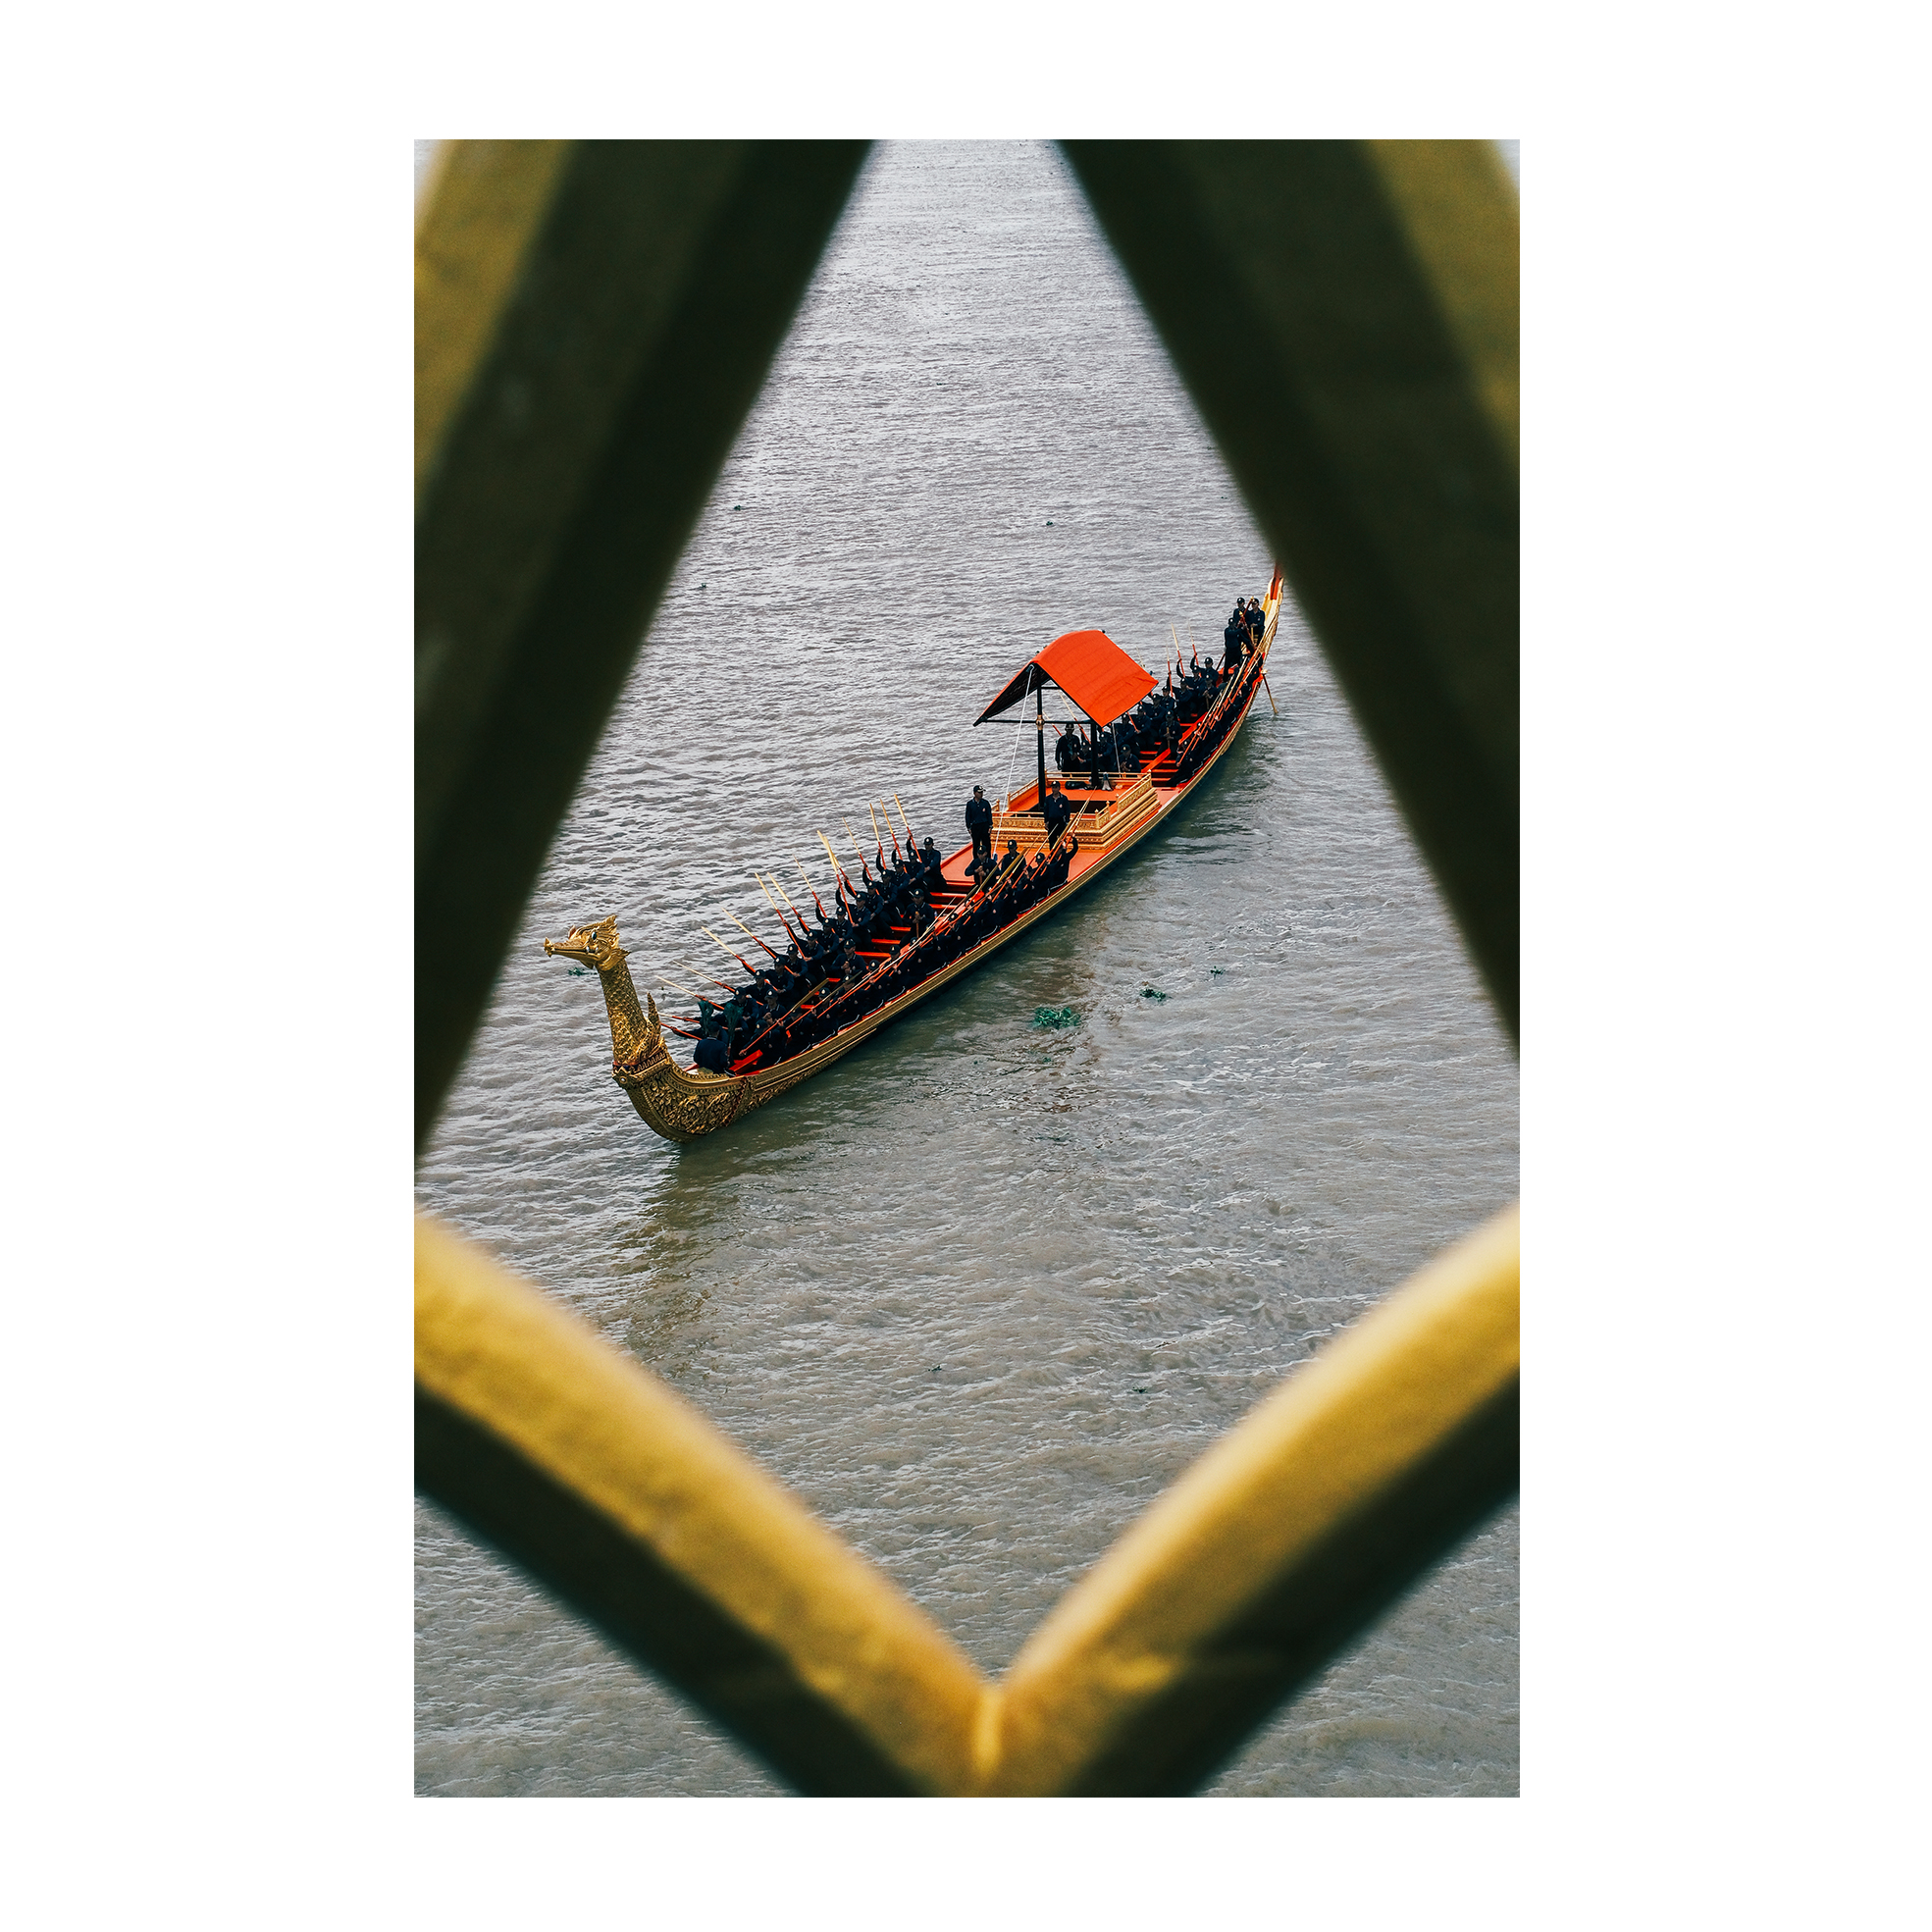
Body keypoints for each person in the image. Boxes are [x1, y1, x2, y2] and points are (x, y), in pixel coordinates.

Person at [965, 785, 993, 875]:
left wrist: (990, 825)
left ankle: (988, 861)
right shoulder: (970, 804)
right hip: (975, 827)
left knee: (987, 844)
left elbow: (989, 814)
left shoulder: (985, 803)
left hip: (984, 825)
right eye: (979, 792)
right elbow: (967, 816)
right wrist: (968, 827)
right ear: (974, 793)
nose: (981, 794)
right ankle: (976, 862)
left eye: (982, 792)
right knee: (976, 845)